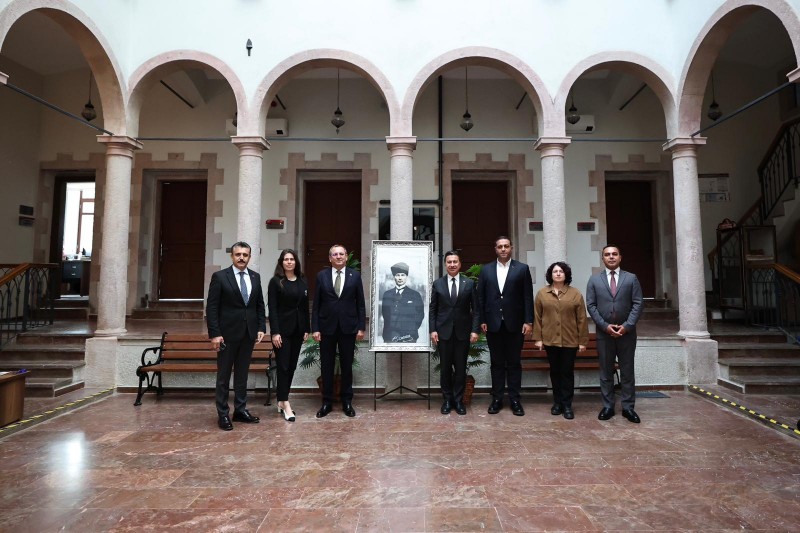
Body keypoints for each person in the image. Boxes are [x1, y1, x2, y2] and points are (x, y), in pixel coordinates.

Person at [207, 241, 266, 431]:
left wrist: (261, 327)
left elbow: (259, 305)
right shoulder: (220, 277)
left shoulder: (255, 277)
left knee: (242, 375)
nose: (241, 258)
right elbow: (212, 307)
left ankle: (240, 410)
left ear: (249, 257)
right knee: (224, 376)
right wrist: (215, 334)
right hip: (227, 335)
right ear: (232, 256)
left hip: (248, 334)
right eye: (238, 254)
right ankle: (223, 414)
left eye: (245, 255)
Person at [586, 245, 644, 423]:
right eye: (607, 254)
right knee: (606, 371)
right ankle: (608, 406)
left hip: (627, 334)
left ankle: (628, 407)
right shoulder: (594, 280)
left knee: (627, 371)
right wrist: (605, 326)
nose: (611, 257)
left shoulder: (631, 278)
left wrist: (627, 326)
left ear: (620, 257)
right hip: (604, 334)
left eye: (614, 254)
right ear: (603, 258)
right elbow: (591, 305)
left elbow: (638, 303)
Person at [478, 236, 534, 416]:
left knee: (514, 363)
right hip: (493, 324)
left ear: (511, 248)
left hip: (515, 324)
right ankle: (497, 399)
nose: (503, 249)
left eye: (506, 246)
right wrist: (482, 320)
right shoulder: (486, 270)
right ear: (495, 249)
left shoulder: (522, 269)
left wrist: (528, 321)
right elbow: (481, 298)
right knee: (496, 363)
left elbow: (527, 296)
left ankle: (515, 400)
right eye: (500, 246)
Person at [311, 244, 366, 418]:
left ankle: (347, 402)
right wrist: (315, 328)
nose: (339, 256)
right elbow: (316, 304)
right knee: (326, 366)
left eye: (341, 254)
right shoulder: (321, 276)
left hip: (348, 328)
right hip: (326, 328)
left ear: (346, 257)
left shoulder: (355, 276)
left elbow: (360, 304)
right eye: (335, 254)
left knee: (346, 366)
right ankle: (326, 402)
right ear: (330, 258)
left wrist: (361, 327)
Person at [533, 262, 589, 420]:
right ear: (550, 275)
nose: (558, 274)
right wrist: (538, 338)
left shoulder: (575, 294)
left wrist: (582, 341)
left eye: (561, 271)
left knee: (567, 372)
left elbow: (582, 319)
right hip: (550, 339)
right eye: (555, 271)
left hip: (570, 340)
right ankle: (557, 403)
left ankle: (567, 404)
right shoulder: (542, 293)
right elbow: (537, 316)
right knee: (555, 372)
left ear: (566, 274)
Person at [430, 251, 480, 415]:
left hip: (462, 333)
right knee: (445, 369)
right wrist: (433, 330)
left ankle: (458, 401)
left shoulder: (469, 284)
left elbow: (476, 310)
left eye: (455, 262)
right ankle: (447, 400)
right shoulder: (438, 284)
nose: (452, 264)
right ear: (445, 264)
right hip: (443, 333)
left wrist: (475, 330)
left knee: (460, 368)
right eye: (449, 262)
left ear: (460, 264)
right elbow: (433, 309)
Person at [267, 249, 310, 422]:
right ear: (281, 262)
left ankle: (281, 399)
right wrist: (275, 332)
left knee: (291, 366)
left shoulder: (302, 280)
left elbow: (305, 307)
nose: (289, 262)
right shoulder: (276, 282)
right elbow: (273, 309)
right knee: (283, 366)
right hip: (282, 331)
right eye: (286, 259)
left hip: (298, 330)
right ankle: (285, 403)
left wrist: (306, 328)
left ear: (296, 262)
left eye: (292, 259)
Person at [381, 262, 425, 343]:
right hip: (390, 336)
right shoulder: (387, 294)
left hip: (409, 336)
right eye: (397, 275)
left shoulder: (415, 295)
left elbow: (420, 315)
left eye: (402, 275)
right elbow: (385, 315)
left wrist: (412, 330)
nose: (400, 278)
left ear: (406, 277)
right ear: (394, 277)